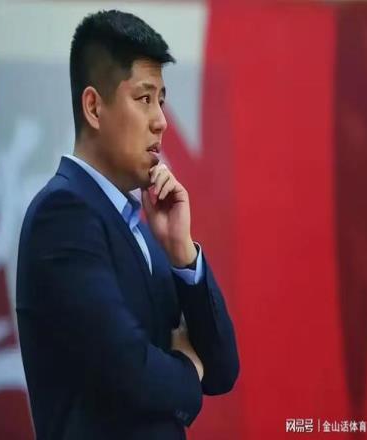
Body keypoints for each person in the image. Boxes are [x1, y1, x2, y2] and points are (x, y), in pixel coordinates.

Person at [16, 9, 239, 440]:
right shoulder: (62, 216)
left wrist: (182, 253)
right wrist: (187, 369)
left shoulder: (144, 227)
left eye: (161, 100)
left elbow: (223, 369)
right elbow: (128, 370)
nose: (161, 120)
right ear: (94, 107)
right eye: (144, 98)